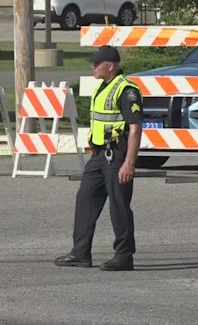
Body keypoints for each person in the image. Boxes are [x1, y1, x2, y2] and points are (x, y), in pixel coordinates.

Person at [55, 45, 143, 271]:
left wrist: (129, 163)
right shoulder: (102, 87)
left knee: (119, 205)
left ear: (110, 66)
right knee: (85, 199)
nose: (93, 66)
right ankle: (81, 252)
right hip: (99, 155)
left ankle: (124, 256)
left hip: (117, 155)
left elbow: (135, 128)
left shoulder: (126, 90)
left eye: (97, 63)